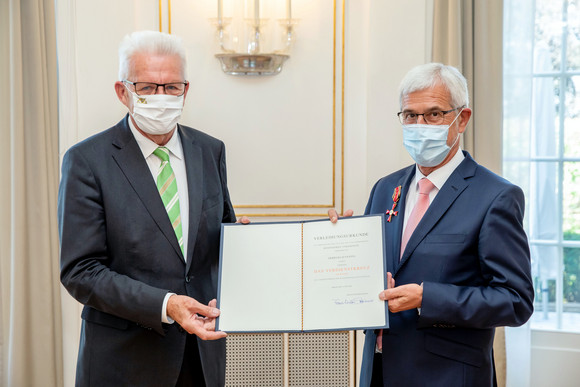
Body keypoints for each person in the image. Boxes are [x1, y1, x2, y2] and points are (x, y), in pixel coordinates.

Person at [329, 63, 534, 387]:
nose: (420, 125)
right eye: (410, 115)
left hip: (449, 376)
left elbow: (514, 301)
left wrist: (428, 298)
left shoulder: (495, 196)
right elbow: (374, 275)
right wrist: (340, 243)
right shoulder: (386, 187)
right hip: (380, 370)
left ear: (461, 118)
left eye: (434, 114)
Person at [58, 30, 244, 386]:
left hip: (201, 359)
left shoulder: (210, 151)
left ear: (185, 90)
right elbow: (80, 271)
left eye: (171, 87)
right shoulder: (87, 161)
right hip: (124, 361)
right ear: (123, 92)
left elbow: (215, 244)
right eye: (147, 87)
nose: (161, 97)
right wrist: (167, 304)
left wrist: (242, 240)